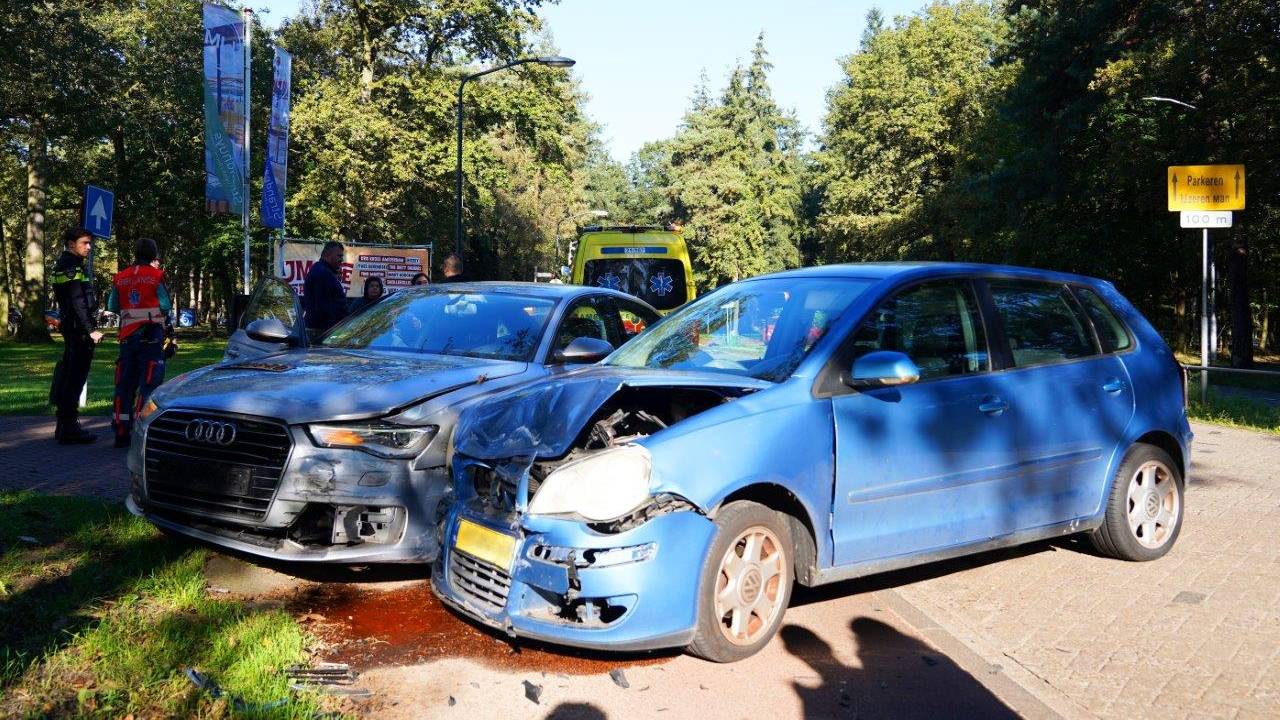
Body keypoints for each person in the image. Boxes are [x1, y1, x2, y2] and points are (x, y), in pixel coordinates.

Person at [106, 238, 171, 447]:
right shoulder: (156, 276)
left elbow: (113, 305)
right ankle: (141, 430)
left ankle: (120, 429)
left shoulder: (120, 277)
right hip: (150, 336)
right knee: (149, 384)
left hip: (126, 337)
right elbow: (165, 305)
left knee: (124, 385)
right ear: (154, 255)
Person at [50, 227, 103, 444]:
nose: (89, 248)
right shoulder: (70, 267)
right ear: (72, 244)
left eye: (90, 243)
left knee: (70, 374)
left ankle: (64, 425)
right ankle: (69, 428)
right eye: (85, 243)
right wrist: (91, 330)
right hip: (78, 330)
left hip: (72, 327)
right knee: (75, 377)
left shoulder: (66, 265)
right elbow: (78, 302)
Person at [303, 241, 348, 339]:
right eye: (339, 256)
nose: (341, 259)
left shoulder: (322, 270)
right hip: (322, 333)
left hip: (322, 331)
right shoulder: (323, 273)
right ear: (327, 254)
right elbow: (324, 308)